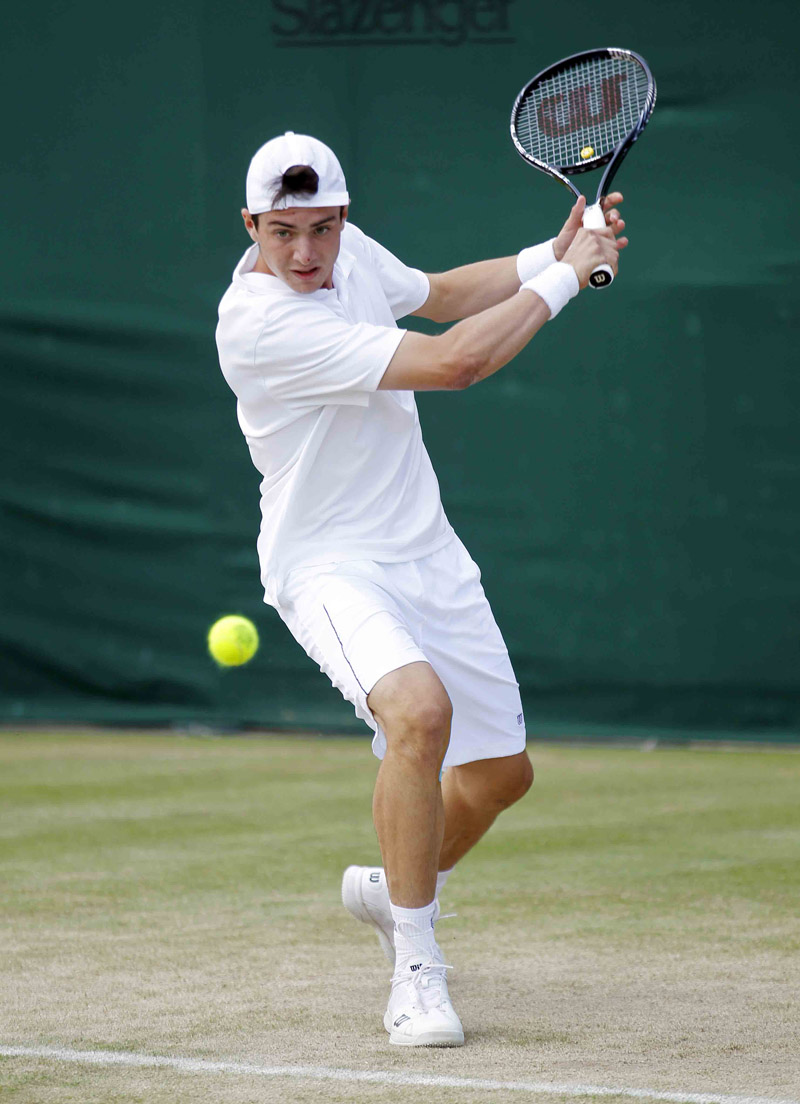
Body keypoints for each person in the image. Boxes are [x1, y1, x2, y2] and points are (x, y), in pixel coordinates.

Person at [215, 131, 626, 1048]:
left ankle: (395, 883)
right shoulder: (259, 325)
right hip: (327, 563)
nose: (307, 252)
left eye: (323, 228)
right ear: (251, 226)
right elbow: (454, 362)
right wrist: (568, 281)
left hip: (426, 554)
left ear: (343, 218)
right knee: (418, 713)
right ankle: (415, 967)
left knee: (501, 777)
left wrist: (553, 250)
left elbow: (441, 295)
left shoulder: (352, 255)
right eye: (283, 232)